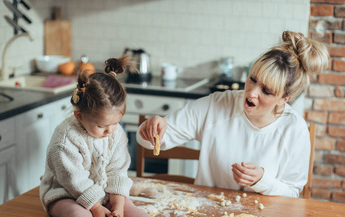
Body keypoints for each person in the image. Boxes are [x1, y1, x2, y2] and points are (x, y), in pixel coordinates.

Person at [138, 31, 329, 198]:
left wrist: (262, 181)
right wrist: (152, 129)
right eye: (252, 79)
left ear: (284, 99)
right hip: (204, 210)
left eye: (267, 91)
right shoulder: (217, 104)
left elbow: (292, 193)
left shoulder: (294, 129)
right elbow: (149, 140)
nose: (252, 92)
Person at [39, 55, 188, 217]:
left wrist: (117, 201)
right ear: (79, 116)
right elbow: (74, 180)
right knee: (78, 214)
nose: (110, 131)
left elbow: (117, 168)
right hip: (64, 193)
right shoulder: (65, 140)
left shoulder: (115, 133)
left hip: (99, 190)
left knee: (127, 205)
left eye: (115, 123)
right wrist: (96, 207)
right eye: (101, 126)